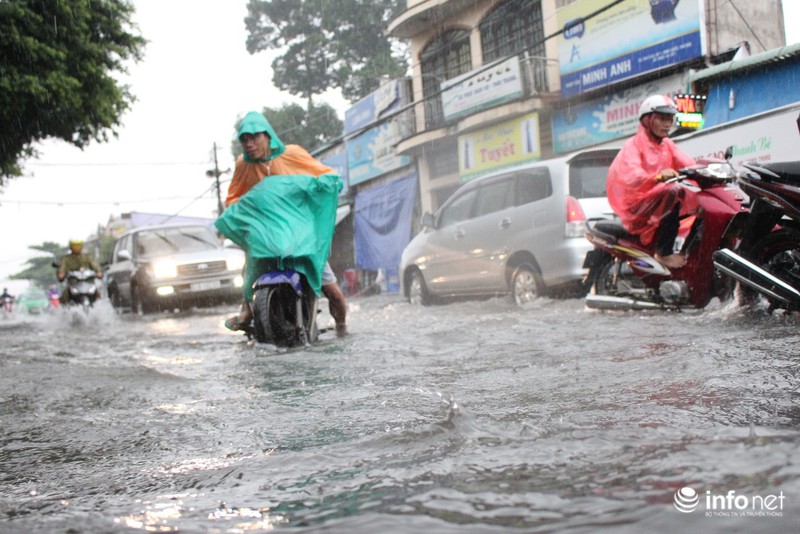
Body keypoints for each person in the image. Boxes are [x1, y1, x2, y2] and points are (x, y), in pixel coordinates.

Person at [223, 111, 348, 337]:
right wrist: (245, 211)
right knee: (248, 271)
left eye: (254, 137)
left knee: (334, 294)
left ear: (268, 136)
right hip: (266, 238)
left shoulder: (293, 154)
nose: (249, 144)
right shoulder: (243, 165)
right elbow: (232, 198)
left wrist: (327, 183)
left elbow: (325, 174)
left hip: (298, 237)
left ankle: (342, 327)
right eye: (244, 139)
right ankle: (247, 309)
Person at [606, 94, 697, 269]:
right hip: (637, 202)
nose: (667, 124)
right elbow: (631, 175)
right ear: (647, 120)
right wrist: (657, 177)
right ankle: (663, 253)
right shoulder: (634, 145)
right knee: (673, 191)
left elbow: (689, 164)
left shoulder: (667, 145)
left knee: (698, 199)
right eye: (662, 119)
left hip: (656, 199)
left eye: (670, 119)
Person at [56, 239, 103, 304]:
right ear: (71, 247)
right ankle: (66, 310)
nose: (76, 248)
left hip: (87, 281)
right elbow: (62, 268)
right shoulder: (65, 259)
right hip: (73, 282)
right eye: (75, 246)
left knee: (97, 294)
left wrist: (98, 272)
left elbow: (94, 265)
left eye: (78, 246)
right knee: (65, 296)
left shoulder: (87, 256)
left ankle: (99, 308)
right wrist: (61, 274)